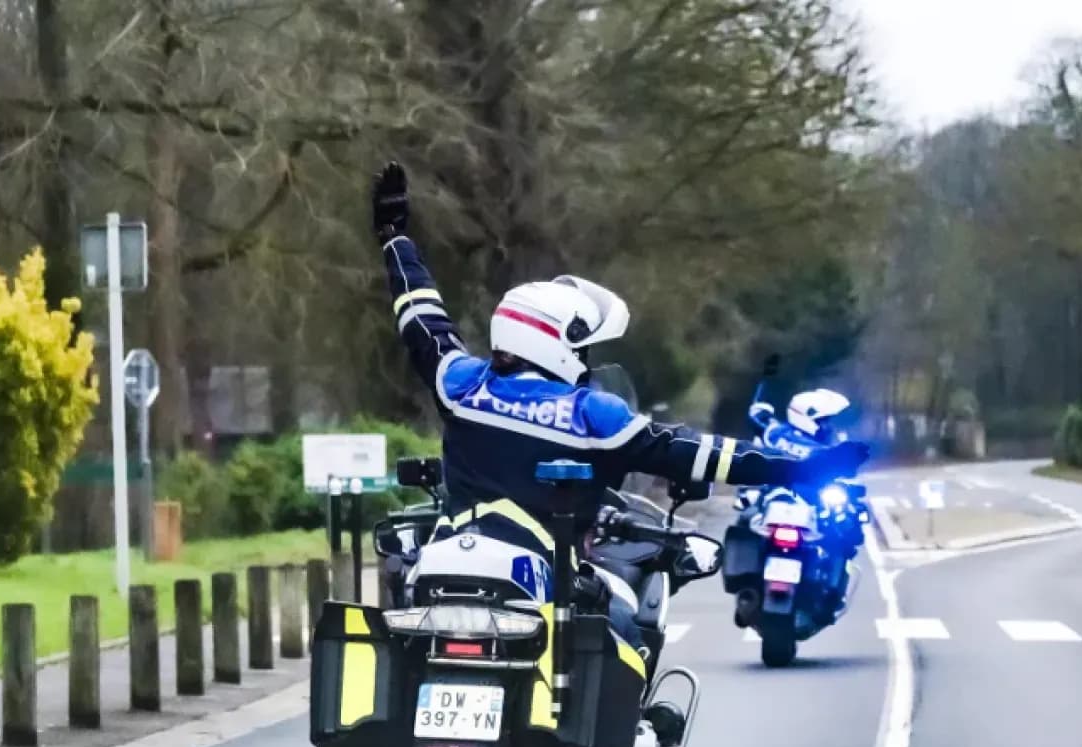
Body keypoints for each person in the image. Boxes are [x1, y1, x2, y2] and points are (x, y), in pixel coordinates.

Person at [369, 162, 868, 645]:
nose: (584, 362)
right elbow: (706, 455)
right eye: (582, 349)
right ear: (558, 344)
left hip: (452, 567)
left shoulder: (460, 385)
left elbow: (421, 316)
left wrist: (395, 240)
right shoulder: (593, 416)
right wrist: (805, 470)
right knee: (629, 626)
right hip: (548, 585)